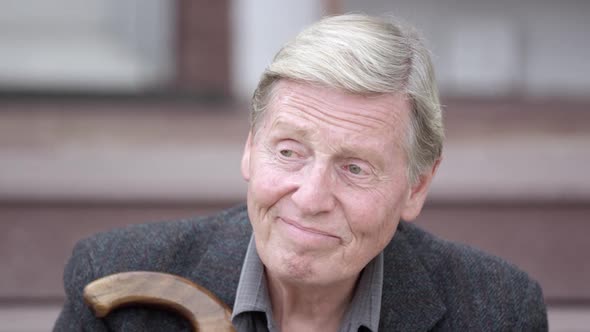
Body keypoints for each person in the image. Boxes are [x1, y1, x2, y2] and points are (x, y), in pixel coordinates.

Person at [54, 14, 547, 331]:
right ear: (250, 148)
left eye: (354, 168)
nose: (311, 198)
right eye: (289, 152)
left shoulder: (497, 310)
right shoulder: (116, 282)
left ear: (416, 186)